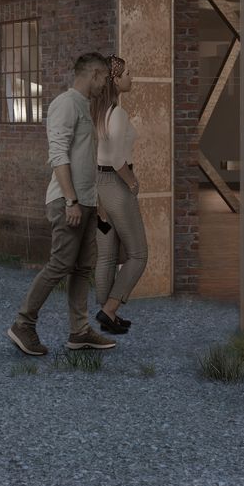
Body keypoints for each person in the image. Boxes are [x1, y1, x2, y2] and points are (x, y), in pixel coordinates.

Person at [7, 50, 116, 356]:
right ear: (93, 74)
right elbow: (59, 154)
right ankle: (23, 324)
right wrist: (70, 200)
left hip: (87, 203)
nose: (104, 85)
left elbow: (86, 160)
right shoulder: (66, 104)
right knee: (60, 265)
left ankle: (79, 332)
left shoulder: (85, 106)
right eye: (104, 79)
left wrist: (95, 203)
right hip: (69, 203)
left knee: (82, 269)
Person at [94, 54, 148, 335]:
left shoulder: (96, 112)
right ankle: (109, 310)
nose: (131, 78)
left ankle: (106, 316)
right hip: (116, 183)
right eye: (127, 74)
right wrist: (132, 181)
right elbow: (116, 158)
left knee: (106, 255)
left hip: (98, 184)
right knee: (138, 254)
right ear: (115, 80)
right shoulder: (118, 113)